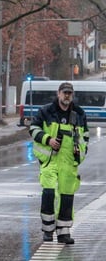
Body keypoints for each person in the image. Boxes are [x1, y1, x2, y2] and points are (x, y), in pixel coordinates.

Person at [29, 80, 88, 244]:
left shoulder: (79, 114)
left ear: (72, 95)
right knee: (49, 193)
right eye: (64, 93)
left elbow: (85, 137)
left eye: (69, 93)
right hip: (50, 160)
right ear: (58, 94)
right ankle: (48, 230)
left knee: (67, 197)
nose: (67, 96)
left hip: (69, 163)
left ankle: (64, 232)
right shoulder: (46, 111)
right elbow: (33, 129)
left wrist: (79, 154)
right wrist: (48, 140)